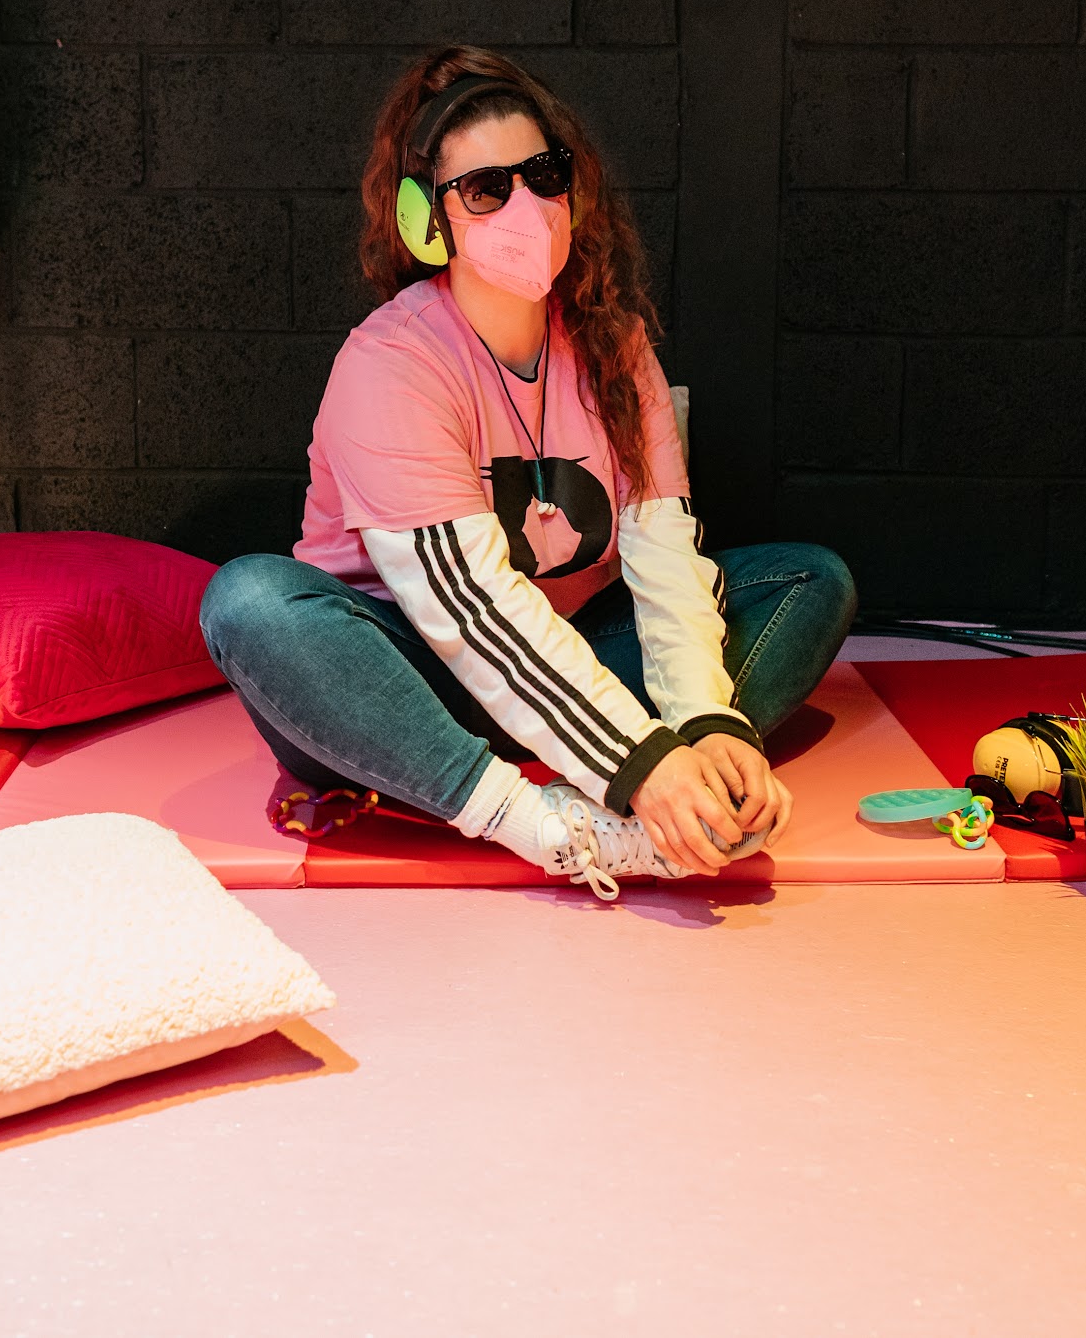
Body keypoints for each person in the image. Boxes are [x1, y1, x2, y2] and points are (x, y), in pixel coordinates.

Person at [200, 46, 856, 900]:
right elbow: (468, 610)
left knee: (813, 580)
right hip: (399, 681)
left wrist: (705, 723)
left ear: (573, 191)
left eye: (542, 174)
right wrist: (641, 765)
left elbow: (664, 556)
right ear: (425, 220)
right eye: (484, 189)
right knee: (250, 603)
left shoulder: (615, 349)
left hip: (566, 654)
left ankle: (670, 768)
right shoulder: (391, 365)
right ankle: (548, 822)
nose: (525, 205)